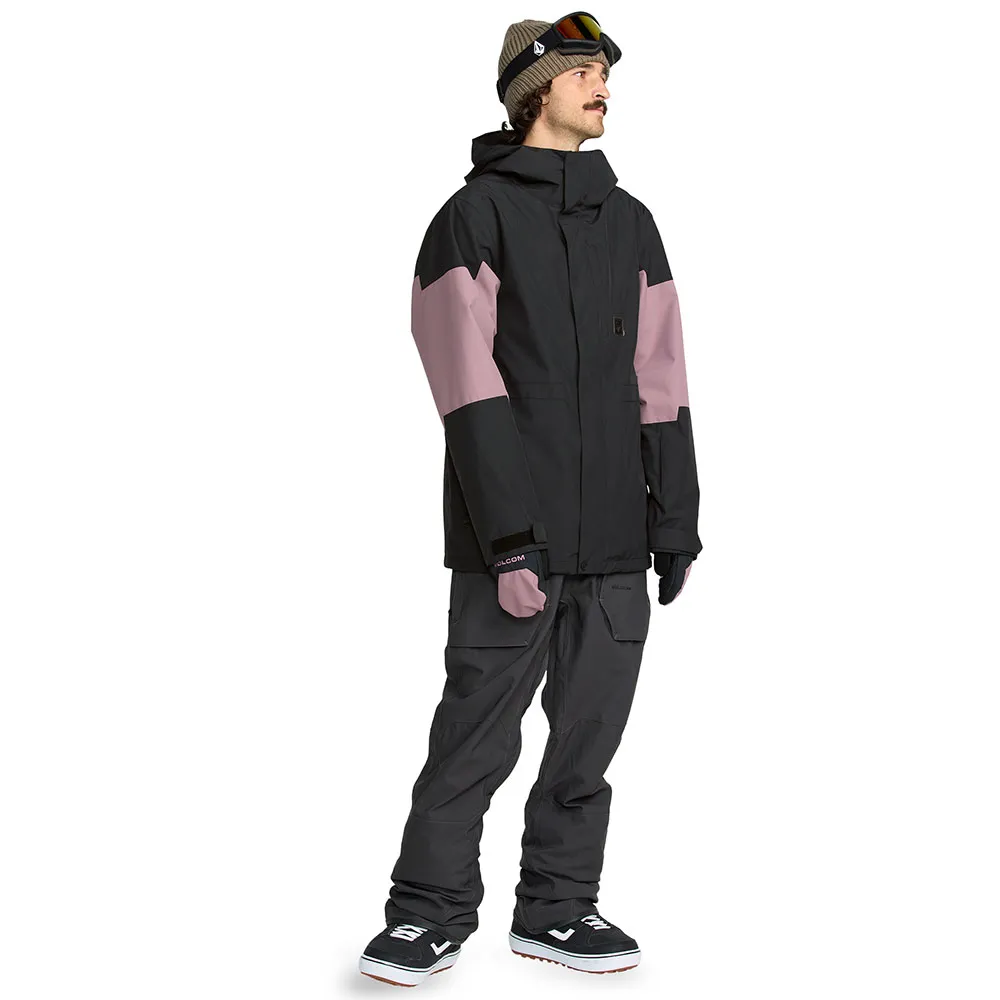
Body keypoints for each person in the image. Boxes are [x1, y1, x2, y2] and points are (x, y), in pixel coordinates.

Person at [358, 12, 702, 987]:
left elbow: (663, 376)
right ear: (532, 91)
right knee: (473, 737)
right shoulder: (472, 218)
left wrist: (674, 518)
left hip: (616, 543)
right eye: (582, 71)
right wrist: (507, 536)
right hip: (516, 542)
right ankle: (425, 914)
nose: (603, 85)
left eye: (603, 72)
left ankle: (557, 908)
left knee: (587, 745)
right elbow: (464, 383)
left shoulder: (631, 223)